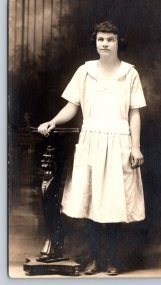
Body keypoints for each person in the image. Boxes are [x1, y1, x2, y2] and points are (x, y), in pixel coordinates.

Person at [38, 21, 146, 276]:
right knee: (90, 200)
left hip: (120, 142)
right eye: (101, 39)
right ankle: (96, 258)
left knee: (115, 202)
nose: (105, 44)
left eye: (110, 39)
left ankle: (112, 260)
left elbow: (134, 113)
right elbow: (72, 106)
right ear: (95, 42)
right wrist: (53, 121)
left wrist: (136, 147)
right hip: (91, 141)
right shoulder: (85, 71)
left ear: (119, 42)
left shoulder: (130, 73)